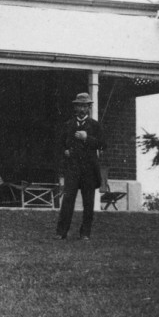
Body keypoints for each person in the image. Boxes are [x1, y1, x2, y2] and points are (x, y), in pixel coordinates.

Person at [56, 92, 105, 241]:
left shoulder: (95, 125)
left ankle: (85, 233)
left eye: (85, 106)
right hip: (72, 169)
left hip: (89, 170)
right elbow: (60, 145)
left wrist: (87, 138)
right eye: (79, 106)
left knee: (88, 202)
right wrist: (65, 151)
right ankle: (61, 232)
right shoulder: (68, 125)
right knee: (68, 200)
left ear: (89, 107)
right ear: (75, 107)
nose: (82, 109)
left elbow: (103, 144)